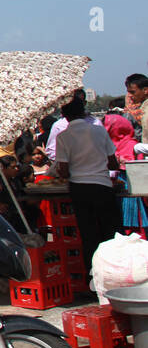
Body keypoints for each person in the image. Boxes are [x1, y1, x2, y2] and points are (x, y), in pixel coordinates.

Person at [54, 94, 121, 273]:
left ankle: (93, 277)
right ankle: (115, 272)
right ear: (84, 111)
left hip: (79, 188)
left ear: (64, 116)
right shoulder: (99, 131)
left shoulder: (63, 136)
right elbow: (113, 163)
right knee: (111, 232)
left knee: (88, 234)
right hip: (102, 186)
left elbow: (64, 170)